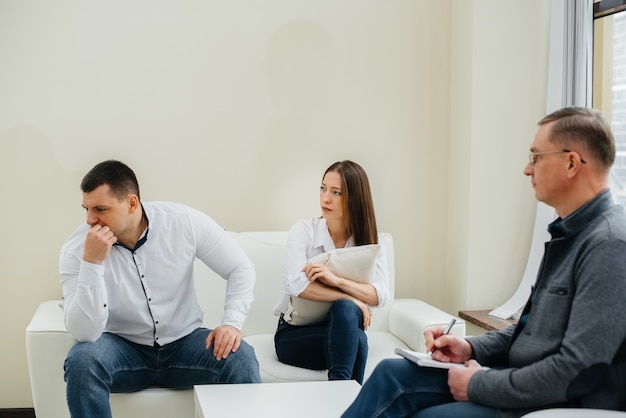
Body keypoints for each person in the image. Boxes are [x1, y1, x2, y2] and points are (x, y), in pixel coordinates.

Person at [342, 107, 626, 417]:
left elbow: (577, 371)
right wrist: (470, 348)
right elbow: (527, 332)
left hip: (556, 401)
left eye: (536, 157)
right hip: (516, 376)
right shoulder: (568, 233)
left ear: (571, 162)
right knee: (390, 374)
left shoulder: (609, 245)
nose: (527, 170)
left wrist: (479, 384)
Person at [60, 160, 261, 417]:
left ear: (132, 203)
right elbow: (84, 333)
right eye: (86, 209)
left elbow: (240, 267)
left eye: (100, 209)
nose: (90, 220)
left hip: (184, 344)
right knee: (81, 360)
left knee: (241, 356)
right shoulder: (76, 249)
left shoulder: (183, 222)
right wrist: (92, 263)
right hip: (121, 349)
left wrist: (232, 323)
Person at [272, 160, 389, 384]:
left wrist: (336, 281)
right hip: (295, 337)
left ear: (354, 198)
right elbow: (294, 284)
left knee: (348, 318)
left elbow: (381, 295)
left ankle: (338, 391)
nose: (325, 198)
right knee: (358, 337)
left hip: (341, 334)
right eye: (323, 188)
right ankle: (347, 402)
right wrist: (351, 297)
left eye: (336, 192)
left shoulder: (371, 242)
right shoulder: (303, 231)